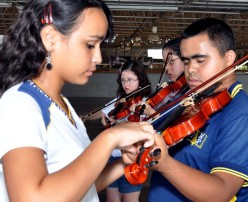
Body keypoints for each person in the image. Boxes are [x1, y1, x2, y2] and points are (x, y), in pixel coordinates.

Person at [0, 1, 157, 201]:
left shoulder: (62, 104)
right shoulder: (21, 104)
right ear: (50, 38)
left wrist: (123, 164)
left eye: (100, 46)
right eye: (90, 45)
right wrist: (109, 139)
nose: (98, 57)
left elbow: (80, 186)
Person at [147, 18, 248, 201]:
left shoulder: (243, 117)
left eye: (200, 60)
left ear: (228, 58)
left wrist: (164, 163)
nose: (190, 70)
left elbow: (221, 192)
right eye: (186, 61)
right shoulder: (192, 99)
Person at [102, 60, 152, 202]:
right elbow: (106, 112)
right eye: (123, 80)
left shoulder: (146, 103)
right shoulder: (120, 100)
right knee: (112, 199)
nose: (126, 84)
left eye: (130, 80)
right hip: (113, 156)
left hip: (132, 158)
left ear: (140, 80)